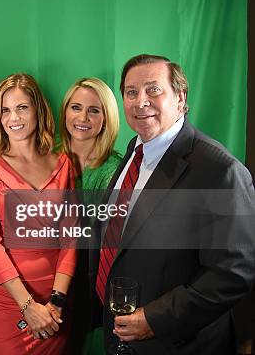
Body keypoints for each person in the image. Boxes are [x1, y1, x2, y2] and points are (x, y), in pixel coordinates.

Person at [90, 54, 255, 354]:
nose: (141, 101)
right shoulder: (135, 148)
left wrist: (155, 319)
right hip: (120, 337)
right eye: (131, 92)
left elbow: (234, 273)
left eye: (154, 89)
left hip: (175, 343)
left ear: (180, 99)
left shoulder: (220, 171)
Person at [0, 73, 76, 354]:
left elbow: (70, 238)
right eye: (5, 110)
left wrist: (56, 301)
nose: (13, 117)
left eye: (22, 107)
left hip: (55, 304)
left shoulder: (63, 162)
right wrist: (28, 306)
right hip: (8, 301)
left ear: (37, 110)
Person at [58, 77, 121, 355]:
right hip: (43, 275)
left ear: (106, 119)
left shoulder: (116, 170)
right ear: (65, 113)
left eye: (94, 110)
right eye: (76, 107)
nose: (82, 117)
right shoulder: (44, 155)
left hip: (88, 282)